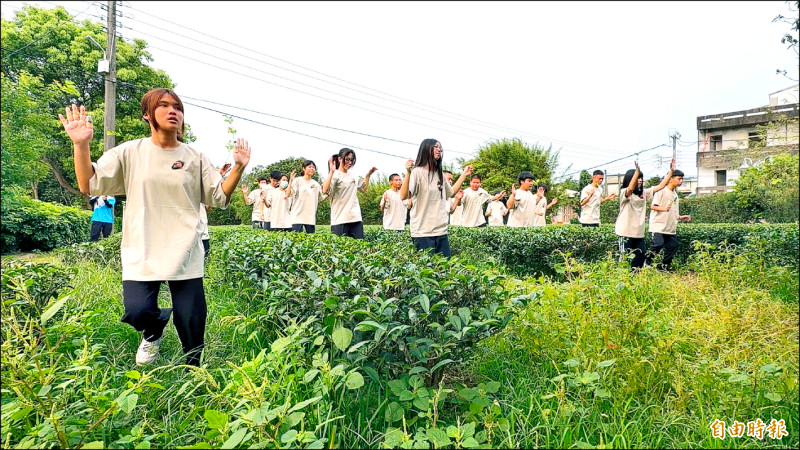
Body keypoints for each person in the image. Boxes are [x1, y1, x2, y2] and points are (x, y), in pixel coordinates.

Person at [59, 88, 251, 367]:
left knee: (191, 322)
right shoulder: (130, 152)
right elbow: (89, 183)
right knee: (138, 311)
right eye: (163, 106)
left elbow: (219, 197)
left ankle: (193, 370)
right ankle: (153, 331)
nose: (173, 111)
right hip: (142, 246)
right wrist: (81, 145)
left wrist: (238, 167)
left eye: (177, 107)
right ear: (148, 115)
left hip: (184, 248)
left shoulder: (195, 156)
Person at [400, 139, 472, 257]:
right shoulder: (417, 172)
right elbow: (403, 196)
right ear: (426, 149)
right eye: (436, 147)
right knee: (427, 272)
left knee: (444, 270)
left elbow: (450, 193)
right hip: (422, 232)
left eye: (440, 147)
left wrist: (464, 175)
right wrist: (408, 172)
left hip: (441, 230)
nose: (439, 150)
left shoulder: (439, 174)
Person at [615, 159, 674, 271]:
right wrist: (637, 171)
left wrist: (671, 171)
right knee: (625, 260)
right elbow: (630, 189)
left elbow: (660, 186)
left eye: (641, 178)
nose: (640, 180)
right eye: (637, 178)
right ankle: (623, 280)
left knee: (640, 259)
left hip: (639, 233)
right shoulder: (624, 192)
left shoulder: (644, 193)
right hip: (625, 232)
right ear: (630, 179)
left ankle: (635, 280)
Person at [321, 148, 377, 239]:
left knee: (359, 247)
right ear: (340, 159)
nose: (350, 162)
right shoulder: (335, 175)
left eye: (352, 160)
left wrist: (368, 175)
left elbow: (363, 189)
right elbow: (325, 190)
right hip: (339, 219)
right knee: (340, 250)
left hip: (355, 217)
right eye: (347, 159)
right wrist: (331, 172)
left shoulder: (353, 176)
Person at [647, 168, 691, 270]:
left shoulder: (675, 194)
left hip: (670, 227)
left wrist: (680, 217)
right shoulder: (661, 191)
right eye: (679, 179)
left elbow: (673, 211)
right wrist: (664, 209)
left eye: (682, 179)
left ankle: (664, 266)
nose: (681, 181)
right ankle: (647, 262)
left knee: (673, 246)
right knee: (657, 245)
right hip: (658, 226)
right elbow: (653, 206)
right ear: (670, 179)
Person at [289, 160, 324, 233]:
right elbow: (291, 194)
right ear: (304, 168)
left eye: (313, 167)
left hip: (310, 216)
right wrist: (290, 181)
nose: (312, 169)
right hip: (297, 215)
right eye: (309, 167)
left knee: (311, 239)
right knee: (295, 238)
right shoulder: (297, 181)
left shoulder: (316, 184)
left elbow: (320, 198)